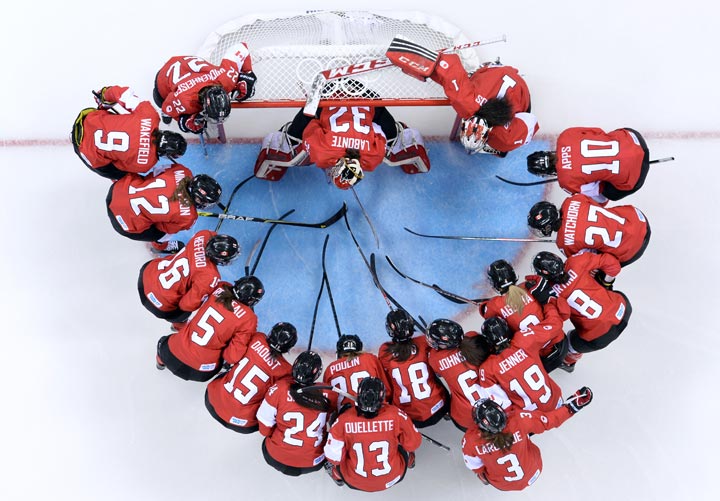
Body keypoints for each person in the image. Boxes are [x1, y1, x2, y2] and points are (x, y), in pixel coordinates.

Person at [386, 42, 537, 156]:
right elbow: (446, 67)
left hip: (501, 75)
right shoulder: (465, 103)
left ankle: (492, 69)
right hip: (512, 82)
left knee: (501, 149)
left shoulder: (505, 137)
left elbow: (448, 67)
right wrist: (408, 58)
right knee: (501, 149)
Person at [253, 103, 430, 189]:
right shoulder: (321, 152)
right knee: (294, 140)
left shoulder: (374, 157)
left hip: (364, 95)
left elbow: (376, 131)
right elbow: (312, 128)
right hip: (334, 95)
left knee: (391, 136)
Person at [461, 389, 593, 491]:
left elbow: (476, 468)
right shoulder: (519, 419)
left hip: (503, 484)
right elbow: (549, 421)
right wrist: (572, 407)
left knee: (482, 472)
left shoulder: (470, 440)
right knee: (525, 434)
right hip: (534, 469)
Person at [531, 250, 632, 372]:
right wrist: (603, 284)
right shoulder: (576, 262)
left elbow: (562, 316)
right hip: (623, 309)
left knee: (567, 340)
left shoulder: (551, 292)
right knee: (606, 290)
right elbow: (614, 265)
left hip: (599, 337)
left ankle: (568, 362)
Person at [155, 275, 264, 382]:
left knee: (164, 342)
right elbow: (231, 357)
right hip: (199, 372)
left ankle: (160, 363)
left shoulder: (221, 287)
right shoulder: (249, 319)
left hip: (170, 354)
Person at [324, 376, 422, 492]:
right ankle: (410, 461)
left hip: (353, 480)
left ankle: (337, 475)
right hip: (393, 476)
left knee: (337, 459)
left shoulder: (343, 420)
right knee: (406, 442)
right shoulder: (396, 415)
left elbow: (333, 457)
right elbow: (413, 444)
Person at [72, 85, 187, 180]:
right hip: (84, 150)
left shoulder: (151, 116)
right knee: (123, 176)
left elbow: (124, 94)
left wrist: (104, 95)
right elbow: (118, 166)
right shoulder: (146, 163)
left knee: (124, 122)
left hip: (86, 119)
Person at [106, 164, 221, 254]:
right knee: (161, 233)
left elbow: (154, 173)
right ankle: (159, 246)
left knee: (143, 180)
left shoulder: (182, 171)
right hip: (122, 223)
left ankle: (116, 181)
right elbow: (162, 228)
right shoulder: (189, 217)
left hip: (117, 190)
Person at [205, 322, 297, 433]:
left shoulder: (257, 338)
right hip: (243, 424)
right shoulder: (286, 370)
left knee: (233, 368)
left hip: (212, 401)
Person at [256, 350, 337, 476]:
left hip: (276, 458)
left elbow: (264, 429)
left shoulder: (280, 388)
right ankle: (333, 468)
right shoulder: (329, 393)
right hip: (313, 463)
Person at [479, 259, 568, 372]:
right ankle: (569, 361)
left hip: (539, 360)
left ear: (494, 284)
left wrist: (485, 306)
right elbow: (563, 312)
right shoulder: (529, 286)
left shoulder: (493, 306)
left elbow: (489, 319)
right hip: (561, 346)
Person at [137, 230, 240, 327]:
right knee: (183, 313)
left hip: (146, 276)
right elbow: (187, 305)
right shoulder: (210, 276)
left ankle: (157, 247)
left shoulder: (203, 235)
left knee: (181, 248)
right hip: (158, 305)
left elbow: (213, 236)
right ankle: (179, 327)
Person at [476, 306, 567, 412]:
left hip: (532, 418)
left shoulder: (487, 369)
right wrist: (548, 304)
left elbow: (503, 405)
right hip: (556, 401)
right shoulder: (524, 340)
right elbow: (555, 325)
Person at [526, 126, 650, 203]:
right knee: (609, 135)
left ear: (546, 172)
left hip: (635, 177)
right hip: (634, 138)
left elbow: (599, 192)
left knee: (609, 193)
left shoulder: (566, 183)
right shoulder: (566, 136)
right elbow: (598, 131)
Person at [527, 195, 651, 267]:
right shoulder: (572, 200)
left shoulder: (564, 244)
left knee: (598, 268)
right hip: (637, 218)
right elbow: (600, 202)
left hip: (632, 249)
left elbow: (590, 261)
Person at [153, 49, 256, 134]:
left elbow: (241, 48)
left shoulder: (226, 78)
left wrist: (248, 76)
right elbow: (166, 109)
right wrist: (184, 121)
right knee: (161, 104)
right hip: (163, 77)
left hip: (187, 67)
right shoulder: (185, 101)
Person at [377, 309, 450, 427]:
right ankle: (446, 410)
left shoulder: (384, 350)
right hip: (440, 408)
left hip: (410, 417)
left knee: (390, 379)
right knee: (429, 369)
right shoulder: (423, 342)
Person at [425, 318, 489, 431]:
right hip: (495, 408)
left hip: (465, 418)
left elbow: (439, 372)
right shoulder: (473, 337)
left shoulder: (435, 358)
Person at [323, 334, 391, 409]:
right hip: (374, 414)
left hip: (344, 418)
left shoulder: (330, 369)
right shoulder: (370, 359)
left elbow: (328, 400)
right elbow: (387, 391)